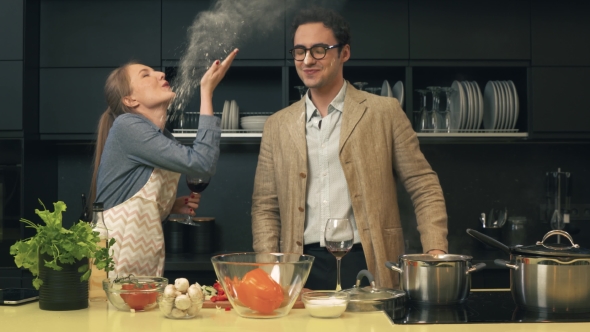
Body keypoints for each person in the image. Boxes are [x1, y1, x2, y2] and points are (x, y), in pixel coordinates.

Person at [251, 7, 448, 290]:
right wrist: (271, 269)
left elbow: (423, 184)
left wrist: (435, 250)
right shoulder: (277, 125)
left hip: (368, 261)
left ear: (344, 53)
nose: (307, 60)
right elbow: (265, 207)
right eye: (299, 51)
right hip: (300, 267)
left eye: (319, 50)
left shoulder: (384, 112)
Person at [89, 49, 239, 278]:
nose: (160, 74)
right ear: (130, 100)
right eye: (145, 75)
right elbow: (202, 163)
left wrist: (169, 206)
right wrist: (206, 92)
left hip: (144, 264)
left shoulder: (163, 137)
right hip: (112, 264)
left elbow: (133, 201)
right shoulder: (127, 126)